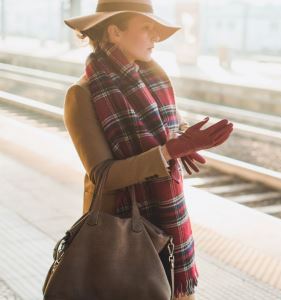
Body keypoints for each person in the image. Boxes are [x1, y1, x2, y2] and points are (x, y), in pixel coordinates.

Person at [63, 1, 234, 299]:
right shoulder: (83, 94)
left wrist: (184, 138)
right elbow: (104, 176)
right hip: (121, 239)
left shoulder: (154, 79)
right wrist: (169, 151)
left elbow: (169, 127)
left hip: (170, 227)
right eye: (147, 28)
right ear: (115, 32)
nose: (155, 37)